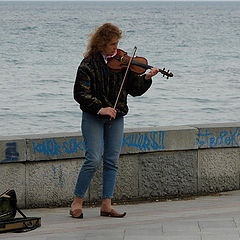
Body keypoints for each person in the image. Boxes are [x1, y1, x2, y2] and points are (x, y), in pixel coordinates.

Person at [71, 23, 159, 218]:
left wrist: (146, 79)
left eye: (117, 43)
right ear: (101, 44)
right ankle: (77, 202)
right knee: (93, 158)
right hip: (94, 116)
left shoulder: (123, 64)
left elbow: (135, 89)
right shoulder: (88, 64)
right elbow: (80, 93)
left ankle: (106, 205)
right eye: (112, 44)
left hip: (117, 116)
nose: (116, 48)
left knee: (112, 160)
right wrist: (100, 108)